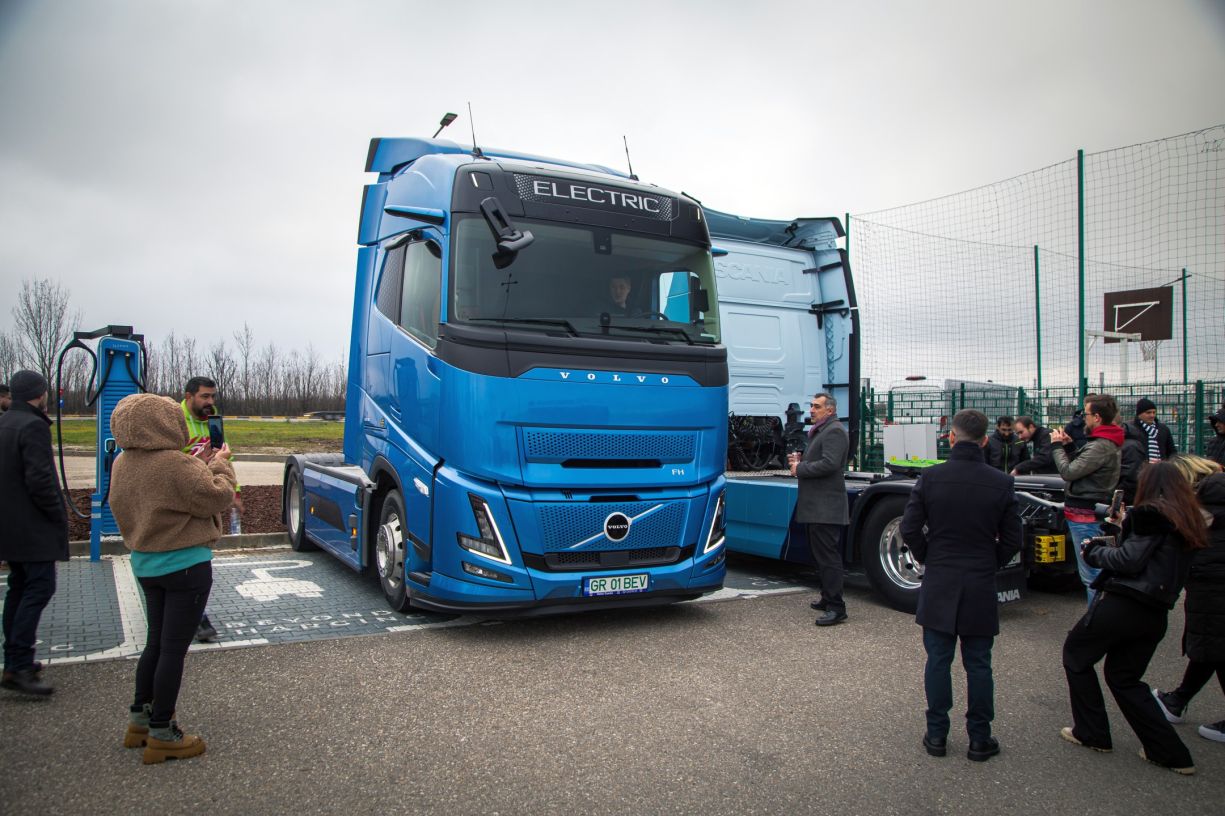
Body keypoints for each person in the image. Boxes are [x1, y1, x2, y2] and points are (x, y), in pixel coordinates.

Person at [108, 393, 237, 764]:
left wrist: (198, 466)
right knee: (173, 650)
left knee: (155, 642)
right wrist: (220, 465)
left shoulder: (122, 463)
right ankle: (163, 731)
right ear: (166, 423)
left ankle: (140, 719)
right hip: (186, 566)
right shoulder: (175, 465)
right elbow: (218, 497)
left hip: (146, 565)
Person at [1060, 461, 1206, 775]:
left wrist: (1092, 551)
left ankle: (1092, 731)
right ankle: (1170, 752)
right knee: (1124, 678)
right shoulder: (1188, 520)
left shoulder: (1150, 514)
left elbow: (1129, 559)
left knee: (1076, 655)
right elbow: (1149, 555)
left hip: (1123, 603)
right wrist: (1120, 529)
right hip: (1156, 611)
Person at [900, 409, 1021, 762]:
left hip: (941, 576)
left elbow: (910, 528)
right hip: (979, 578)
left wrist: (928, 556)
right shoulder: (1001, 482)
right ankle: (980, 738)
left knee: (938, 658)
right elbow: (1013, 538)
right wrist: (990, 561)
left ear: (951, 438)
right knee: (979, 662)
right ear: (984, 440)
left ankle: (937, 734)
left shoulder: (931, 477)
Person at [0, 371, 68, 696]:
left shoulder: (5, 422)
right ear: (40, 394)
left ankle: (14, 661)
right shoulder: (33, 426)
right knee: (39, 588)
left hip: (10, 527)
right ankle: (19, 666)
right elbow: (40, 480)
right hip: (33, 528)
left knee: (18, 588)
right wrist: (57, 514)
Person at [1152, 460, 1225, 744]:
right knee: (1210, 646)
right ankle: (1178, 699)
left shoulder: (1203, 512)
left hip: (1212, 590)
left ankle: (1177, 700)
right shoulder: (1211, 507)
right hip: (1210, 590)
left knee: (1213, 646)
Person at [181, 376, 240, 643]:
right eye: (205, 396)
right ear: (189, 396)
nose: (210, 402)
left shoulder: (212, 423)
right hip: (181, 499)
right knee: (191, 563)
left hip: (206, 498)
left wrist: (234, 493)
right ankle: (198, 619)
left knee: (199, 561)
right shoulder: (176, 421)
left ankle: (195, 615)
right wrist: (200, 460)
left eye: (213, 396)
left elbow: (226, 460)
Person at [1051, 394, 1123, 603]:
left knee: (1092, 576)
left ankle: (1096, 619)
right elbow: (1087, 468)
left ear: (1097, 417)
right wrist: (1070, 447)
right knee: (1096, 571)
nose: (1084, 418)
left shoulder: (1100, 445)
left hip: (1085, 516)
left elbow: (1069, 472)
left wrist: (1056, 446)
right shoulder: (1105, 442)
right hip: (1091, 511)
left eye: (1087, 414)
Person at [789, 391, 850, 626]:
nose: (812, 410)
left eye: (817, 406)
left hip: (826, 507)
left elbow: (830, 464)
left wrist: (800, 469)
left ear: (830, 410)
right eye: (812, 406)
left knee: (828, 558)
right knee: (820, 556)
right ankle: (827, 597)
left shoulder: (834, 431)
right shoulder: (822, 430)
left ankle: (837, 607)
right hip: (818, 506)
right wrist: (801, 462)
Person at [1129, 397, 1177, 462]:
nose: (1152, 415)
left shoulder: (1163, 429)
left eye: (1154, 412)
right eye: (1148, 413)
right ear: (1139, 414)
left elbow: (1172, 451)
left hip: (1161, 466)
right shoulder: (1131, 429)